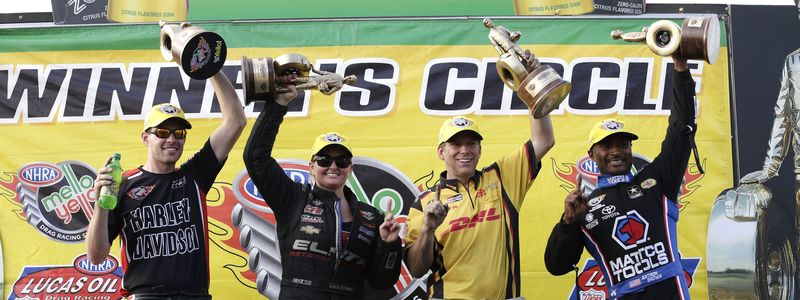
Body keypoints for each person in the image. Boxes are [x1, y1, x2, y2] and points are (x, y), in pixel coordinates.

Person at [544, 55, 697, 299]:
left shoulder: (657, 181)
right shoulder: (584, 207)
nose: (616, 151)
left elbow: (681, 129)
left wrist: (680, 68)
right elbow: (556, 266)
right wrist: (568, 222)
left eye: (623, 144)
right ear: (592, 154)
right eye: (606, 146)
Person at [86, 72, 247, 299]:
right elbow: (96, 257)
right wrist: (100, 206)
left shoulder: (194, 175)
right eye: (162, 132)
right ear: (145, 138)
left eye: (178, 133)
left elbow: (236, 121)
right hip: (145, 296)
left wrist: (211, 69)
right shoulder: (122, 184)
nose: (171, 139)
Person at [242, 80, 403, 299]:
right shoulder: (293, 199)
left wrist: (389, 245)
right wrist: (277, 106)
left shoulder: (371, 217)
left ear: (350, 169)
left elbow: (382, 281)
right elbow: (255, 157)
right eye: (325, 159)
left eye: (342, 161)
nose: (333, 166)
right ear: (311, 166)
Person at [403, 112, 556, 297]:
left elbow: (544, 140)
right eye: (456, 144)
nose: (465, 150)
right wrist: (427, 230)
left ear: (480, 150)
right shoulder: (424, 203)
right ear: (441, 152)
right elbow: (416, 270)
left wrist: (534, 99)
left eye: (471, 143)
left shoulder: (502, 177)